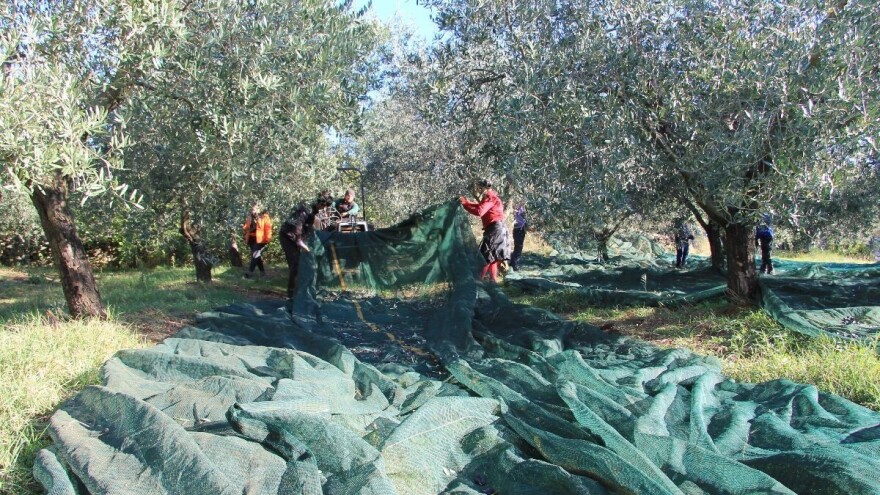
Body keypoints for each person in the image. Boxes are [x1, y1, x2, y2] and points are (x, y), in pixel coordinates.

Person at [278, 193, 333, 298]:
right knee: (296, 264)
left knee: (305, 263)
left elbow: (311, 227)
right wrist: (300, 243)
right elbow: (297, 227)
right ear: (321, 203)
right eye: (324, 207)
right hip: (288, 236)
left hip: (298, 236)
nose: (324, 209)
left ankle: (302, 290)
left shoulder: (315, 210)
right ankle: (292, 294)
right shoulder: (304, 209)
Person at [460, 178, 511, 283]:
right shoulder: (492, 198)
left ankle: (478, 281)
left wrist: (465, 204)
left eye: (479, 188)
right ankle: (492, 281)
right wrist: (466, 202)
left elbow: (479, 211)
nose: (478, 190)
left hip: (495, 229)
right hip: (498, 229)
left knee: (485, 256)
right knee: (491, 257)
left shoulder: (490, 198)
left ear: (483, 188)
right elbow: (479, 206)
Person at [243, 203, 272, 278]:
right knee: (257, 256)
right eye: (252, 209)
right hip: (251, 238)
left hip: (260, 239)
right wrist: (245, 228)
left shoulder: (265, 217)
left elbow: (268, 228)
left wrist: (268, 239)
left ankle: (250, 272)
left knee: (255, 254)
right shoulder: (250, 216)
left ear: (259, 209)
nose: (252, 210)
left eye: (254, 209)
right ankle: (262, 272)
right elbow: (247, 226)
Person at [511, 204, 527, 271]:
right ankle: (514, 265)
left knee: (518, 247)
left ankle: (513, 263)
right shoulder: (519, 210)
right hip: (519, 230)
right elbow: (521, 219)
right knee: (518, 248)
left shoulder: (521, 209)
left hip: (520, 230)